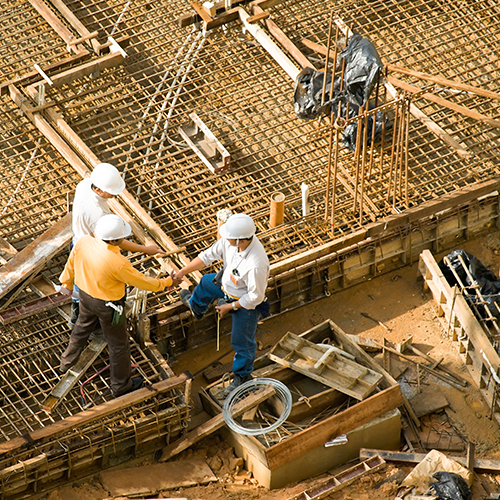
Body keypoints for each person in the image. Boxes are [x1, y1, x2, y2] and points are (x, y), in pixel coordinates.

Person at [58, 214, 174, 397]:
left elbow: (71, 263)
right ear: (115, 239)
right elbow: (142, 281)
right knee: (119, 345)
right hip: (108, 306)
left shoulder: (84, 242)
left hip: (85, 297)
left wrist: (66, 282)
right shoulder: (118, 262)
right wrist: (166, 283)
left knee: (81, 327)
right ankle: (120, 386)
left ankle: (65, 363)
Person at [172, 213, 270, 396]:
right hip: (227, 285)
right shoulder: (230, 240)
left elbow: (255, 296)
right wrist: (182, 272)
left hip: (244, 303)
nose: (225, 238)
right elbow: (207, 257)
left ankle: (242, 376)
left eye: (230, 237)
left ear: (241, 240)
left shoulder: (256, 263)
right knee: (205, 284)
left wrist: (230, 307)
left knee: (242, 342)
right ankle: (196, 308)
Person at [69, 162, 166, 327]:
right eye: (111, 191)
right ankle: (81, 317)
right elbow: (117, 241)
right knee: (89, 285)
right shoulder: (98, 214)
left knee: (79, 279)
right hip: (90, 250)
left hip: (78, 239)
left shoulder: (84, 185)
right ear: (98, 190)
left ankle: (76, 313)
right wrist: (146, 250)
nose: (115, 194)